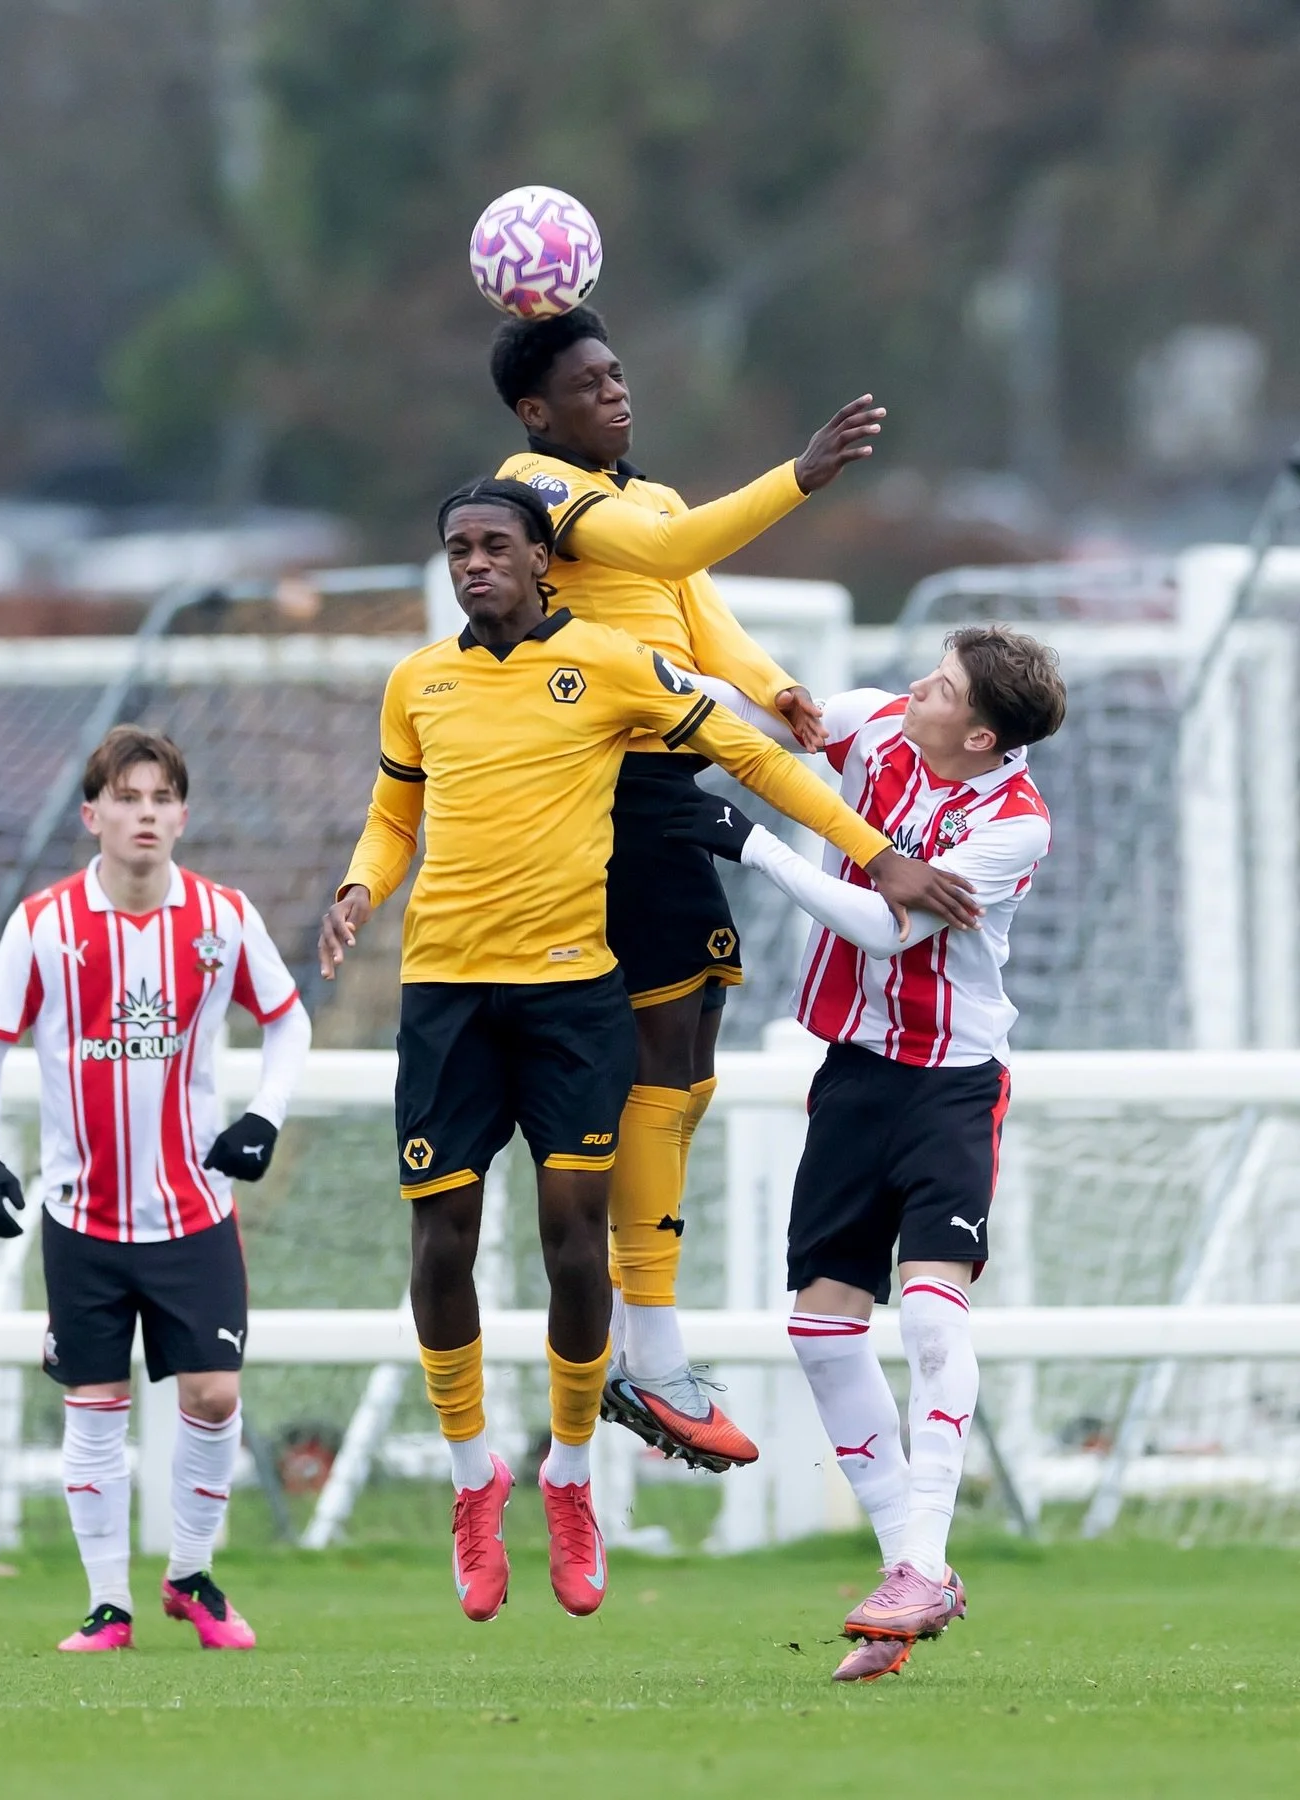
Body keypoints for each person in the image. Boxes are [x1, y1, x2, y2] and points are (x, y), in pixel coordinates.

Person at [318, 479, 976, 1624]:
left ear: (541, 562)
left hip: (573, 994)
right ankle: (478, 1481)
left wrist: (878, 855)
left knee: (576, 1243)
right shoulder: (418, 680)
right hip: (446, 994)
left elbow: (756, 756)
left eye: (495, 547)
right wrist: (359, 886)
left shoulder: (615, 666)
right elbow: (395, 814)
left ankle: (570, 1477)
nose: (475, 565)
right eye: (459, 550)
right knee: (441, 1242)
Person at [491, 305, 890, 1471]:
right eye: (590, 380)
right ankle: (645, 1355)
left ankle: (642, 1347)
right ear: (535, 409)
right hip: (605, 785)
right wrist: (799, 478)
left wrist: (777, 687)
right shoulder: (536, 486)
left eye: (620, 373)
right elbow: (665, 560)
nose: (617, 393)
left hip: (669, 789)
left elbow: (698, 603)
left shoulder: (647, 491)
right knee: (645, 1062)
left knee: (686, 1059)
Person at [665, 625, 1066, 1682]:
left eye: (938, 685)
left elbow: (888, 929)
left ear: (977, 733)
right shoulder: (880, 727)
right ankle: (907, 1577)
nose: (912, 688)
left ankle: (924, 1561)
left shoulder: (1012, 825)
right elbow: (757, 718)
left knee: (932, 1311)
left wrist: (747, 841)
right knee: (821, 1331)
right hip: (852, 1071)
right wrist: (650, 673)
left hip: (951, 1082)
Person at [0, 726, 311, 1653]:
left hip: (193, 1212)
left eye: (160, 799)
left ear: (182, 815)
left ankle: (190, 1578)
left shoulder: (223, 917)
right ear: (93, 814)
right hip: (82, 1217)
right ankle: (107, 1604)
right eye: (127, 798)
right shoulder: (43, 924)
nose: (144, 813)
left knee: (213, 1394)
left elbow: (289, 1023)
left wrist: (263, 1117)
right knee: (95, 1405)